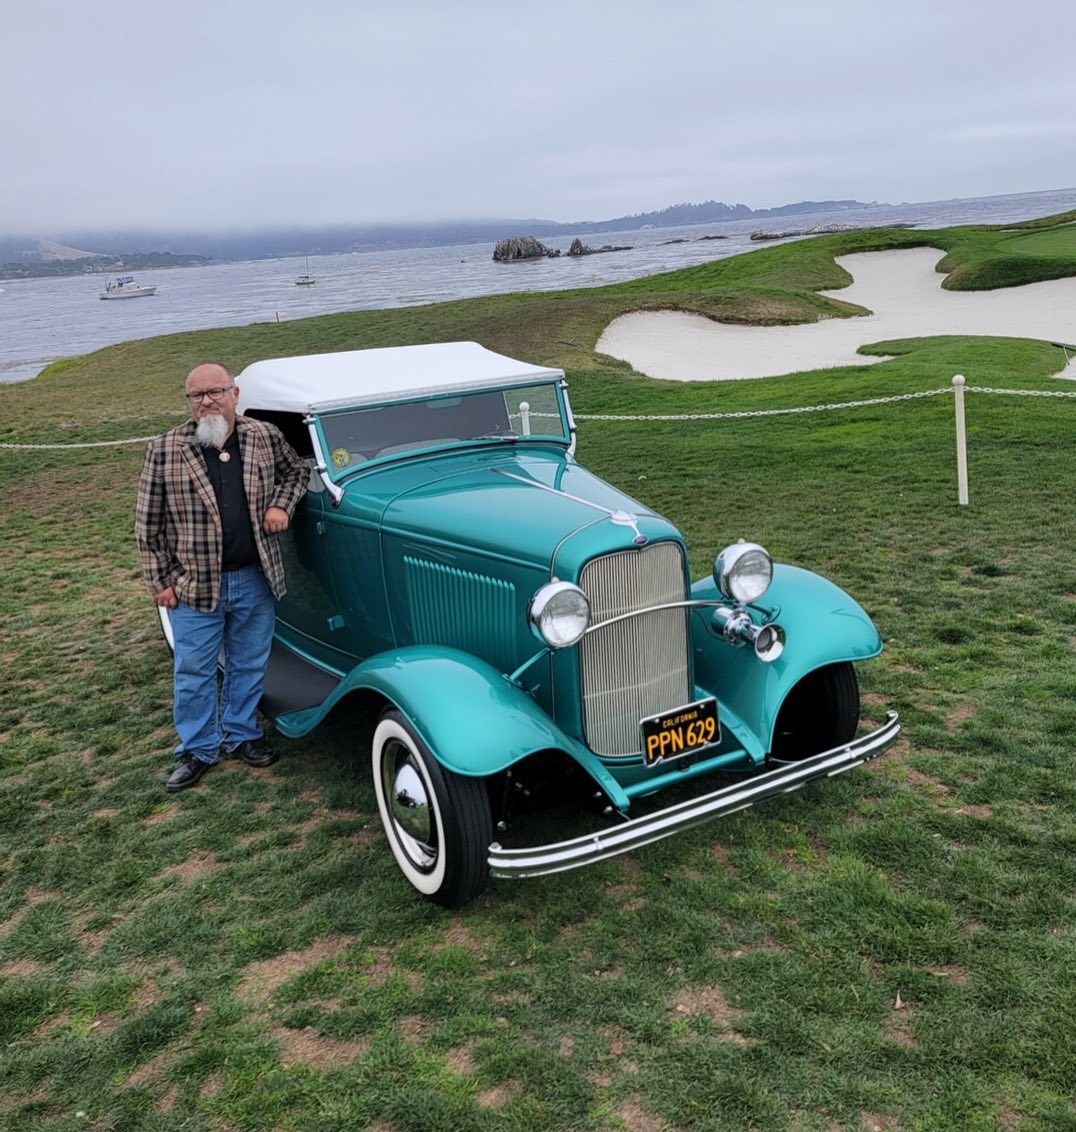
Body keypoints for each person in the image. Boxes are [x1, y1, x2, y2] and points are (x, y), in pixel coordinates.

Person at [135, 361, 307, 792]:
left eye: (215, 392)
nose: (207, 401)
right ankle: (197, 749)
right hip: (195, 584)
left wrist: (281, 505)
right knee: (193, 670)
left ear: (235, 394)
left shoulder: (265, 436)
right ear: (189, 402)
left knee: (249, 662)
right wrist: (160, 581)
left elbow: (296, 473)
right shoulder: (166, 448)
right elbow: (147, 523)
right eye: (197, 395)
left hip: (254, 577)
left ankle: (242, 734)